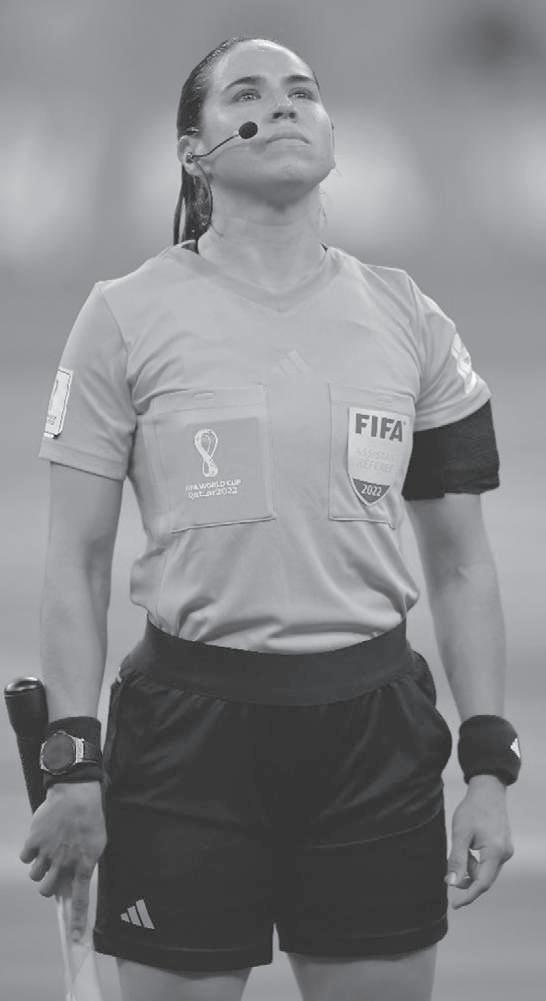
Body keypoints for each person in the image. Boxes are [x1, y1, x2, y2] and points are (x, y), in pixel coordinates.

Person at [20, 34, 521, 1001]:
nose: (283, 106)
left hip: (375, 735)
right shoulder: (121, 316)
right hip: (185, 739)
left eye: (302, 92)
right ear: (193, 151)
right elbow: (75, 561)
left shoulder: (414, 320)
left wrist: (489, 767)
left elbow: (462, 564)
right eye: (247, 93)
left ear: (331, 133)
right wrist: (73, 761)